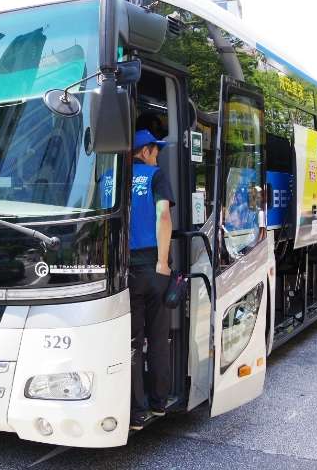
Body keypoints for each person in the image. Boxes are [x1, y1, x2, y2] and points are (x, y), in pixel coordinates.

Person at [128, 129, 175, 430]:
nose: (157, 155)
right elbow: (163, 216)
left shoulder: (110, 177)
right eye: (155, 150)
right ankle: (159, 402)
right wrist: (162, 262)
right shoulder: (155, 176)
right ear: (144, 151)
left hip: (125, 270)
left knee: (132, 342)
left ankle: (136, 411)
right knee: (158, 337)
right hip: (152, 266)